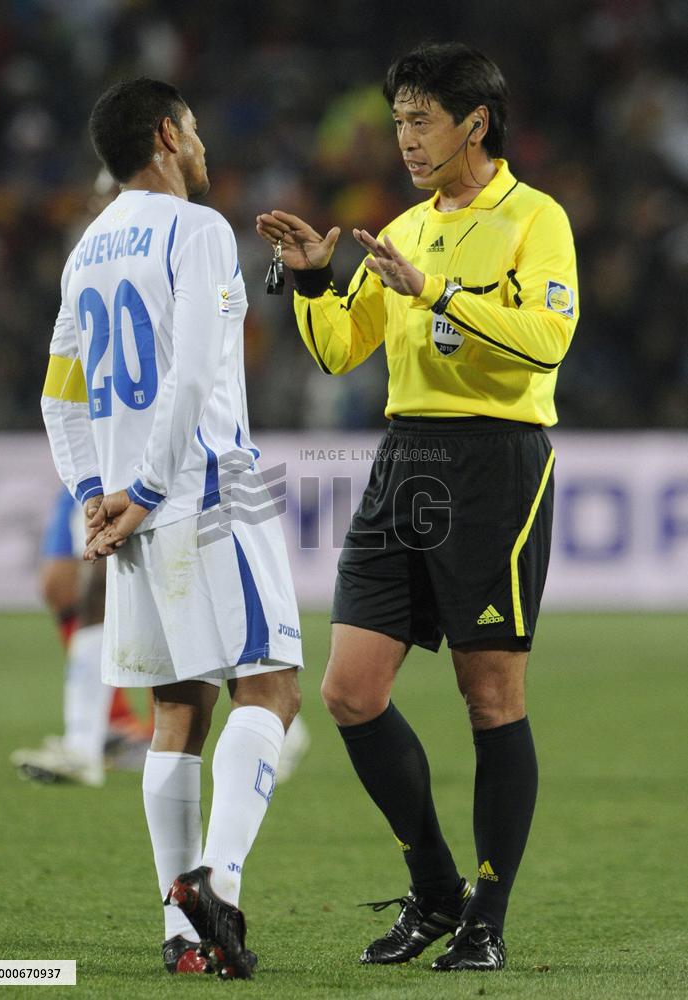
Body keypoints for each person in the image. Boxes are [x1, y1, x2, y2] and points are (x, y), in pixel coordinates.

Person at [257, 41, 578, 972]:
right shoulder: (400, 224)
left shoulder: (534, 219)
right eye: (396, 119)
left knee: (489, 697)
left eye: (419, 119)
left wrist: (434, 291)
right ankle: (435, 889)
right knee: (349, 692)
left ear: (473, 124)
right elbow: (338, 351)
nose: (402, 137)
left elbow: (547, 340)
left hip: (495, 462)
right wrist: (317, 278)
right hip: (406, 460)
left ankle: (486, 916)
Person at [41, 77, 303, 979]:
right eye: (191, 131)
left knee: (175, 711)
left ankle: (182, 941)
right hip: (210, 485)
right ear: (165, 135)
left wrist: (94, 498)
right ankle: (216, 889)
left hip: (129, 507)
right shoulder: (196, 232)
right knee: (271, 689)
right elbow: (193, 372)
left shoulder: (86, 253)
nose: (200, 146)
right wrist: (150, 489)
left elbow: (57, 397)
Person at [11, 489, 151, 788]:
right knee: (60, 586)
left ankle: (153, 734)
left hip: (137, 471)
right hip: (85, 476)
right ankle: (107, 728)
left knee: (108, 586)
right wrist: (86, 484)